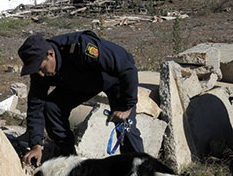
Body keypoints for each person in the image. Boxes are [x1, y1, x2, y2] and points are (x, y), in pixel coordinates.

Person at [18, 30, 144, 166]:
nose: (40, 74)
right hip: (79, 84)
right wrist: (36, 144)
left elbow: (127, 68)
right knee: (52, 107)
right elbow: (35, 105)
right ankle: (70, 161)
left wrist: (127, 106)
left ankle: (141, 171)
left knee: (125, 127)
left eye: (41, 68)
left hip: (111, 78)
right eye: (36, 70)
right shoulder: (39, 69)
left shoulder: (80, 46)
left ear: (50, 54)